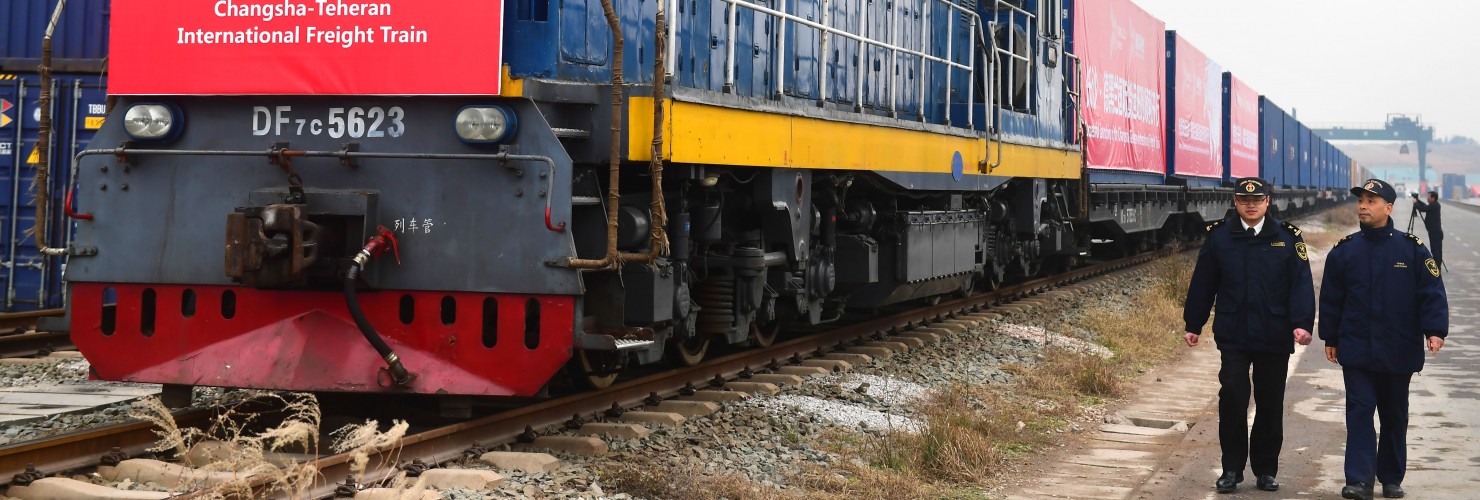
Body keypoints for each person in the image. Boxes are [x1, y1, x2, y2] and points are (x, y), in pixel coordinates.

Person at [1183, 177, 1315, 494]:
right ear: (1235, 202)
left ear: (1268, 201)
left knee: (1269, 403)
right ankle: (1231, 469)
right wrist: (1193, 323)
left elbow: (1301, 285)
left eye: (1257, 200)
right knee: (1232, 398)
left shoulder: (1287, 237)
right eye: (1244, 200)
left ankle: (1266, 470)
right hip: (1234, 334)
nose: (1251, 205)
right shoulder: (1219, 238)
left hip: (1274, 333)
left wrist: (1302, 323)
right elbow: (1203, 283)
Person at [1320, 179, 1448, 500]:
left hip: (1398, 348)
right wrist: (1330, 337)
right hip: (1357, 349)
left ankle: (1390, 476)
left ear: (1388, 208)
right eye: (1361, 200)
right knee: (1360, 410)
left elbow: (1431, 293)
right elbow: (1332, 299)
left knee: (1394, 414)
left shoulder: (1412, 250)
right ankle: (1359, 480)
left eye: (1371, 201)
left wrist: (1435, 330)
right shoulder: (1345, 251)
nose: (1363, 205)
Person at [1410, 191, 1443, 266]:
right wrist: (1418, 200)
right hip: (1434, 231)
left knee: (1435, 250)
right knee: (1436, 249)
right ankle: (1438, 264)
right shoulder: (1433, 205)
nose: (1427, 198)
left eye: (1428, 196)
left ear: (1433, 198)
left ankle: (1437, 266)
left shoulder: (1434, 206)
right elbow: (1425, 206)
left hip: (1435, 232)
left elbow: (1423, 209)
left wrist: (1415, 203)